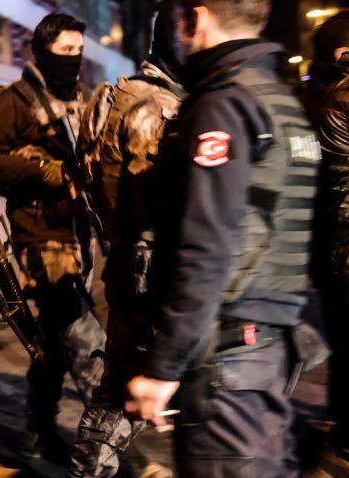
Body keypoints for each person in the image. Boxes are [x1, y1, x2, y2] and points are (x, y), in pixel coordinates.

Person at [124, 1, 321, 476]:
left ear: (198, 17)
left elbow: (206, 246)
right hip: (269, 352)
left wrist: (163, 368)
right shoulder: (281, 101)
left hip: (228, 362)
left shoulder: (223, 104)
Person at [0, 13, 106, 461]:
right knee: (87, 341)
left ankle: (37, 432)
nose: (74, 59)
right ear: (43, 52)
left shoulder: (81, 99)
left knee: (52, 343)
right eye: (65, 51)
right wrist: (45, 171)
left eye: (78, 51)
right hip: (40, 236)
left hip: (79, 234)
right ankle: (107, 451)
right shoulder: (16, 100)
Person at [68, 2, 184, 476]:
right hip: (151, 273)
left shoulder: (109, 96)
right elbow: (159, 201)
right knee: (125, 394)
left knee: (119, 389)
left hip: (123, 261)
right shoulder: (157, 108)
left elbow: (85, 176)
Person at [310, 11, 349, 473]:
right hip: (344, 237)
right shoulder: (342, 94)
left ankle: (340, 420)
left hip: (328, 240)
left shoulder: (314, 94)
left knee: (341, 337)